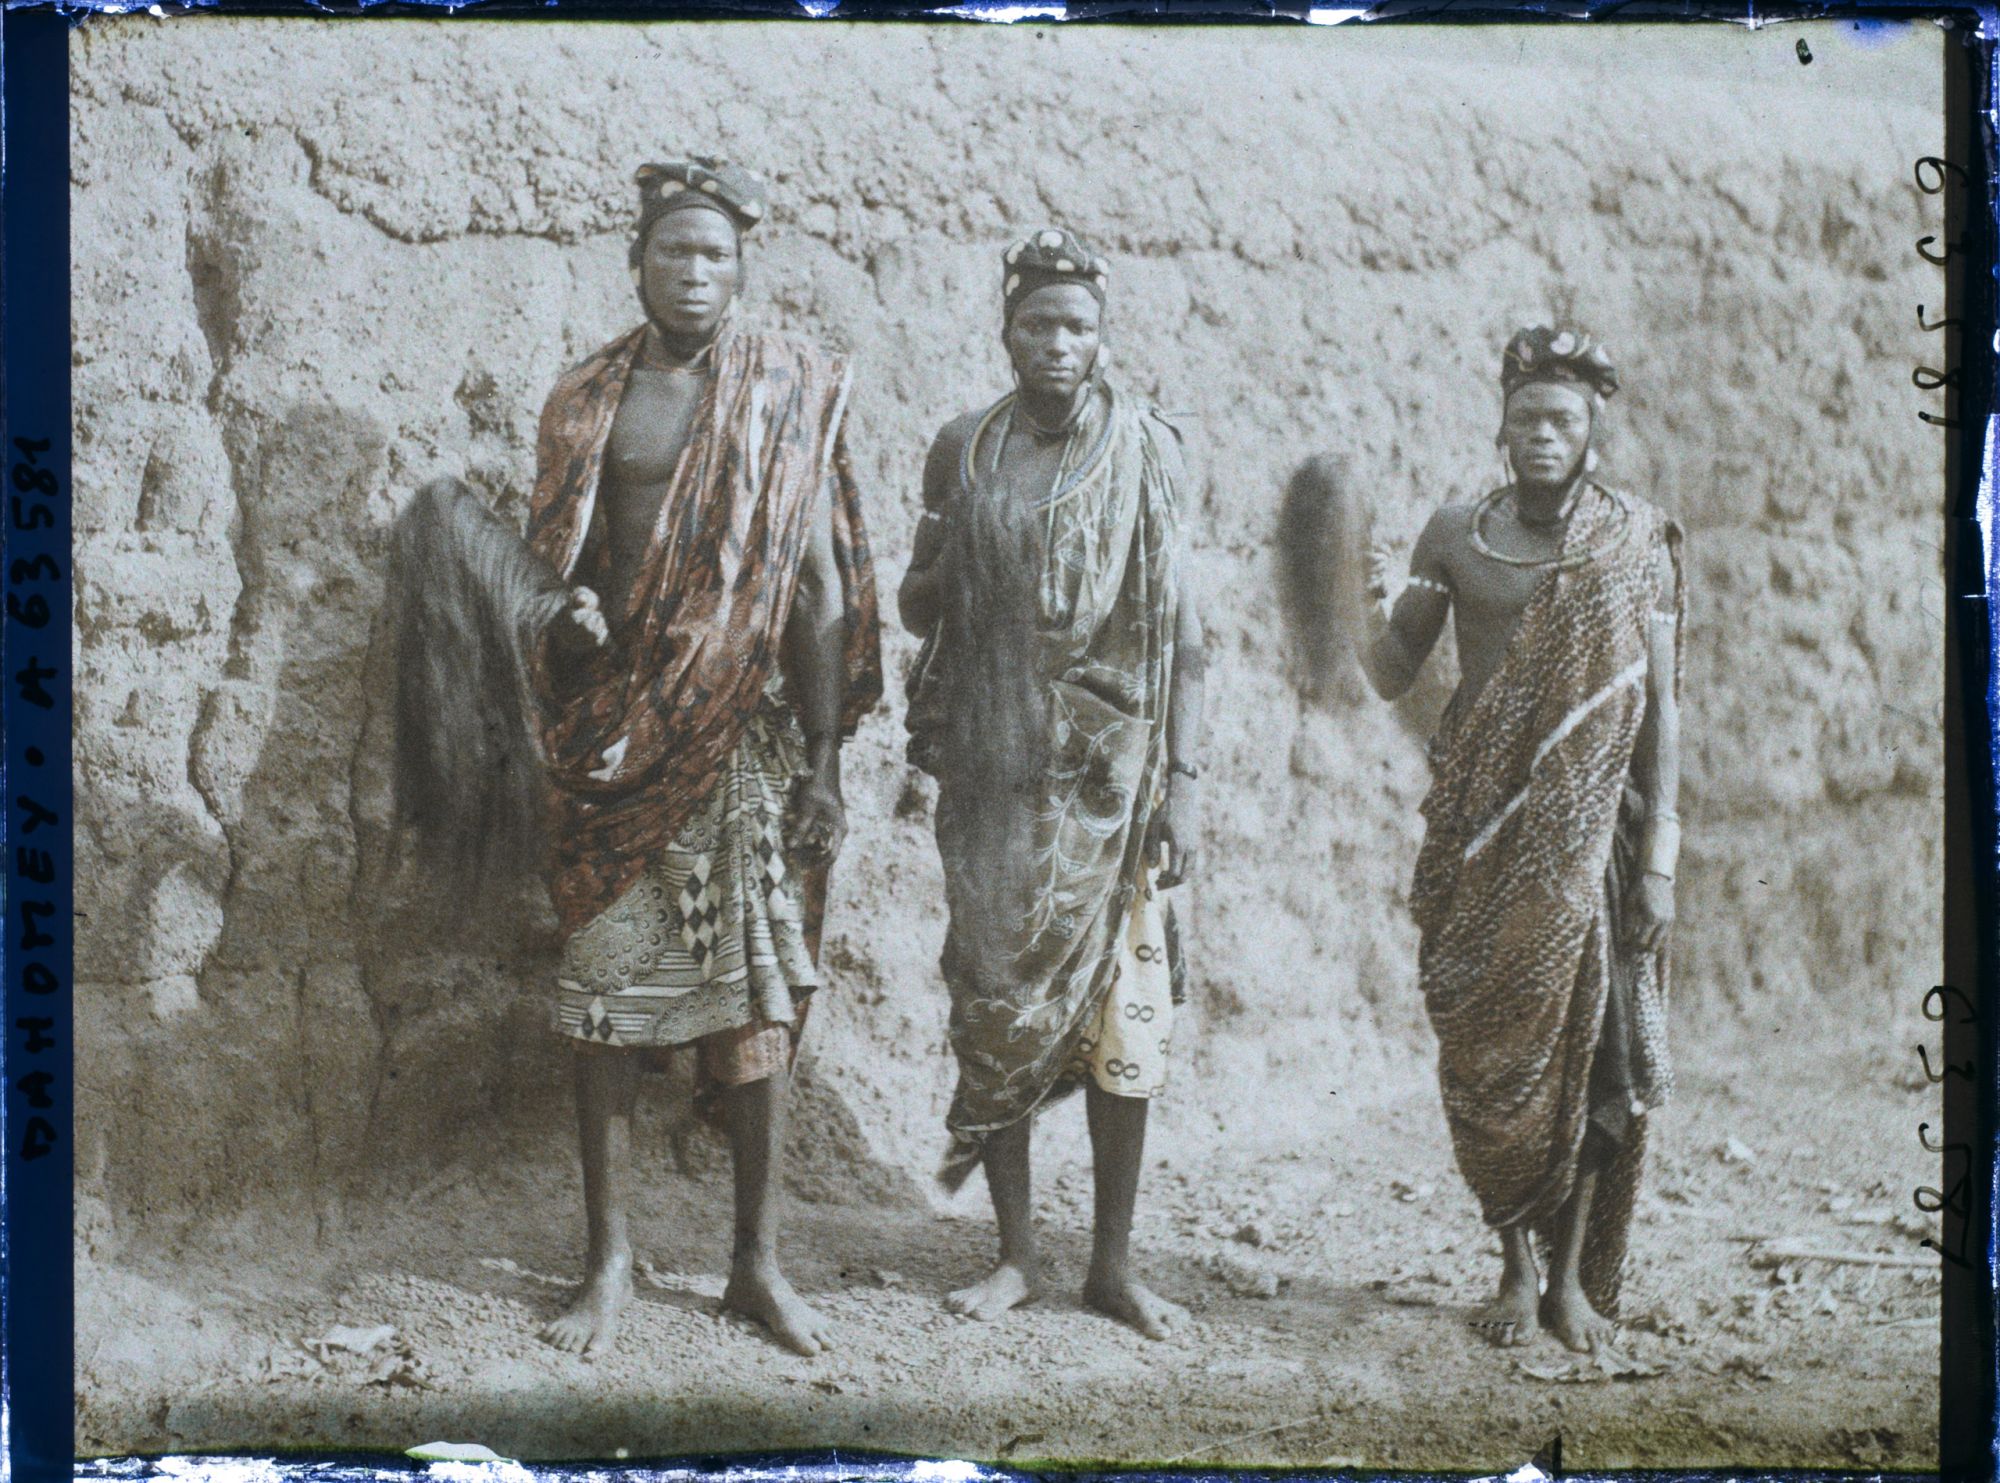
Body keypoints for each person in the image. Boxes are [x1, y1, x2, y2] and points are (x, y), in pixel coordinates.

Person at [527, 158, 882, 1357]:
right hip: (615, 735)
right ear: (637, 261)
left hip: (738, 738)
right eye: (674, 250)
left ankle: (754, 1262)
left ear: (741, 270)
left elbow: (818, 587)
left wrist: (825, 759)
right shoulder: (584, 398)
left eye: (715, 254)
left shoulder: (788, 388)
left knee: (752, 1010)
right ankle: (609, 1260)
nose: (694, 271)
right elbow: (555, 568)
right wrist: (561, 617)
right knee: (602, 1004)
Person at [901, 228, 1207, 1340]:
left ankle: (1113, 1263)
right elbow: (914, 602)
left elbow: (1184, 631)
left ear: (1103, 334)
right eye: (1037, 322)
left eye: (1076, 324)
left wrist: (1182, 781)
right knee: (997, 1014)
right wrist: (957, 564)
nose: (1056, 344)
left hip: (1110, 783)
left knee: (1123, 1020)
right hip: (993, 776)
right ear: (1005, 329)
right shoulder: (963, 447)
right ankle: (1017, 1254)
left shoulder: (1147, 450)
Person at [1354, 327, 1684, 1353]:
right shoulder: (1454, 534)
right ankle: (1513, 1265)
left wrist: (1660, 861)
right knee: (1494, 1056)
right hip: (1483, 836)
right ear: (1500, 424)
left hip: (1599, 842)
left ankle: (1569, 1283)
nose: (1542, 436)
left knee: (1596, 1059)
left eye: (1564, 420)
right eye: (1526, 417)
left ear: (1591, 433)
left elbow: (1662, 717)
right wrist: (1348, 585)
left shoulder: (1633, 540)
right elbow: (1387, 669)